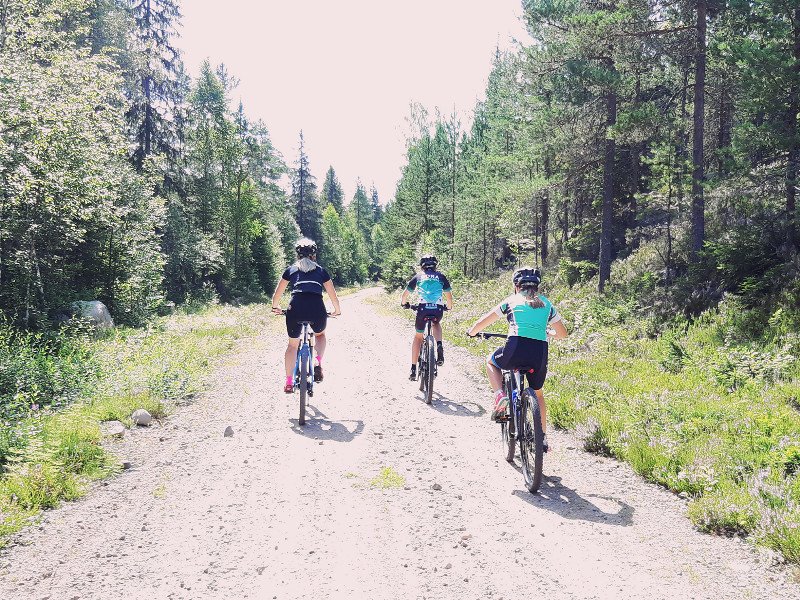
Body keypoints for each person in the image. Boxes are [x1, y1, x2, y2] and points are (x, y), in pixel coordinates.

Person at [466, 267, 567, 451]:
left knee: (491, 361)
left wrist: (472, 332)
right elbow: (562, 333)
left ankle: (500, 396)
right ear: (537, 286)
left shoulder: (511, 301)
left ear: (516, 286)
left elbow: (483, 322)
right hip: (539, 353)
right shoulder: (547, 304)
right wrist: (549, 332)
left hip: (515, 347)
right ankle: (542, 438)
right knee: (538, 393)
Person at [271, 238, 342, 393]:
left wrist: (275, 307)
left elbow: (277, 294)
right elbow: (333, 295)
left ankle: (289, 382)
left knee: (292, 345)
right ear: (314, 255)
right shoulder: (321, 271)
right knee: (320, 335)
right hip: (316, 308)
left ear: (297, 254)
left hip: (295, 308)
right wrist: (337, 310)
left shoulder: (291, 270)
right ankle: (317, 362)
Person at [400, 254, 454, 381]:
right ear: (435, 265)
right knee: (436, 323)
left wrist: (404, 304)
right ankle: (439, 345)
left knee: (418, 337)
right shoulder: (441, 276)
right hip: (438, 309)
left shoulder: (418, 277)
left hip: (422, 309)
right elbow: (449, 297)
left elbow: (404, 295)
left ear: (422, 266)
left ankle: (413, 369)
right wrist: (449, 307)